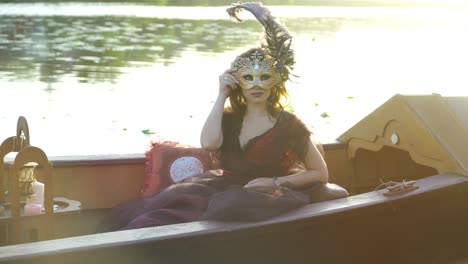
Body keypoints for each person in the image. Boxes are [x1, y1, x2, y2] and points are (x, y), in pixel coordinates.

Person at [98, 2, 328, 232]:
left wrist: (276, 182)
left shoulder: (289, 125)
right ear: (237, 80)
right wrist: (221, 95)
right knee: (147, 219)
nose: (256, 84)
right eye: (248, 77)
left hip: (263, 196)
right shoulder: (229, 118)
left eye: (264, 76)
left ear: (275, 80)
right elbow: (208, 143)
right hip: (218, 189)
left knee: (228, 209)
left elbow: (320, 173)